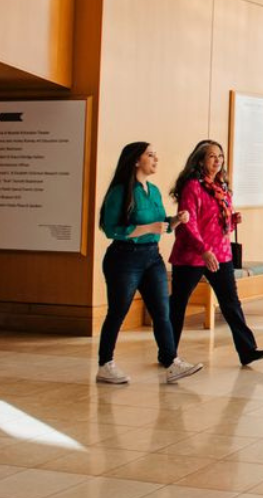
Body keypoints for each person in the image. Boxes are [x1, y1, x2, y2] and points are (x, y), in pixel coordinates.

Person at [96, 142, 203, 384]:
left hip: (152, 257)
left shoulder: (153, 190)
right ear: (136, 160)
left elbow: (160, 225)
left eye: (156, 155)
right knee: (118, 312)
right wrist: (147, 228)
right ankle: (105, 364)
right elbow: (111, 229)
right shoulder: (120, 192)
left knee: (162, 311)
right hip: (124, 258)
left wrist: (175, 220)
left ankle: (172, 362)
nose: (156, 159)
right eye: (150, 155)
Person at [168, 140, 263, 367]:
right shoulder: (192, 186)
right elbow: (189, 223)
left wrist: (232, 221)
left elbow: (220, 225)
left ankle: (247, 350)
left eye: (220, 156)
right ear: (200, 160)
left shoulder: (222, 187)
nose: (217, 161)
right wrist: (203, 250)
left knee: (231, 303)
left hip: (221, 253)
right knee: (178, 304)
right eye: (212, 156)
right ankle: (168, 353)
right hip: (193, 254)